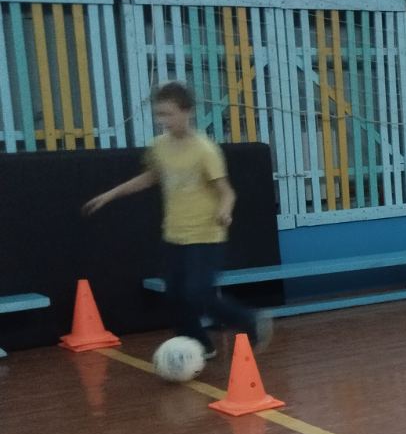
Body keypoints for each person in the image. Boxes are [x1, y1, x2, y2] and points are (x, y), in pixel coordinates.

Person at [82, 81, 270, 360]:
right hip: (174, 234)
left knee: (198, 293)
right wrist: (110, 195)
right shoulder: (159, 147)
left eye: (168, 114)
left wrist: (225, 210)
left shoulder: (205, 150)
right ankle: (200, 345)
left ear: (187, 112)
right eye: (159, 114)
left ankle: (250, 320)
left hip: (205, 235)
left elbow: (226, 191)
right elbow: (151, 177)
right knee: (174, 296)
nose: (163, 121)